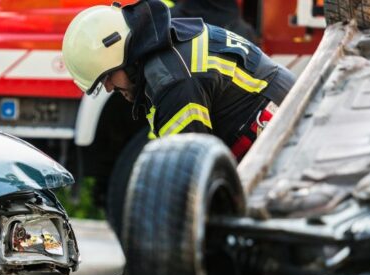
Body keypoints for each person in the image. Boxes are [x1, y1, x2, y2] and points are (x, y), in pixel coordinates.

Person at [62, 0, 295, 160]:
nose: (110, 87)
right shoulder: (168, 41)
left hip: (283, 138)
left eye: (108, 77)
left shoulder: (172, 83)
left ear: (125, 58)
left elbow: (191, 170)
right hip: (285, 116)